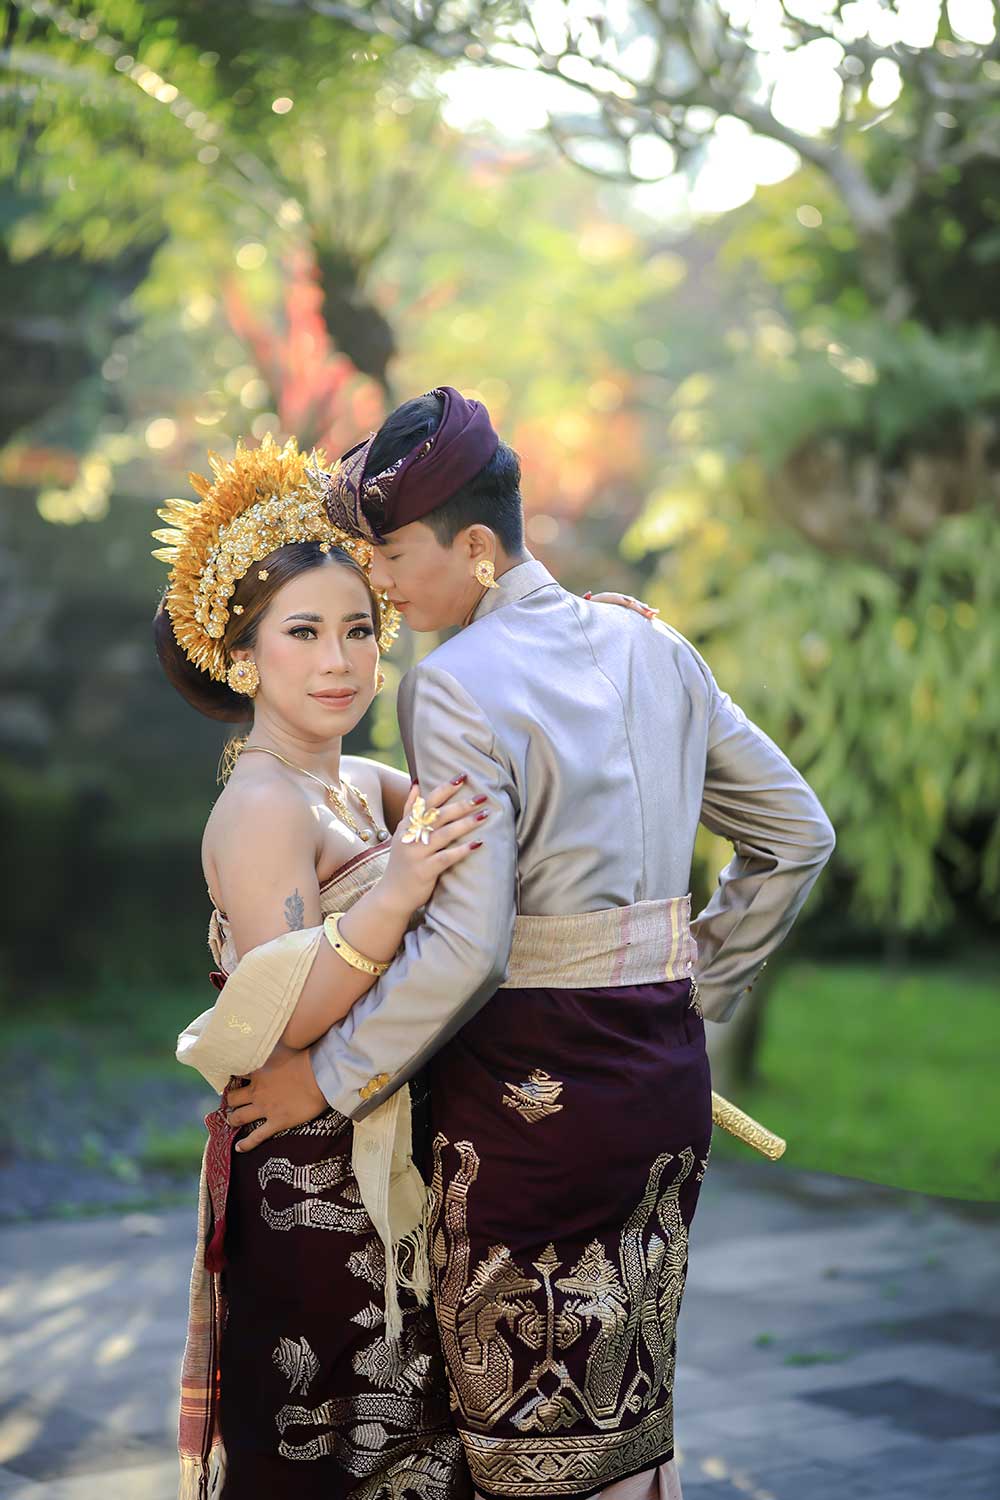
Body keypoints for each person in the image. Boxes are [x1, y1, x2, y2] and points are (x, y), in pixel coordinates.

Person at [226, 388, 836, 1500]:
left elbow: (471, 948)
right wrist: (694, 989)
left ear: (473, 544)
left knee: (533, 1451)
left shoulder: (455, 682)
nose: (380, 584)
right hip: (659, 1079)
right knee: (625, 1422)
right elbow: (797, 836)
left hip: (528, 1091)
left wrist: (330, 1073)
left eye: (392, 555)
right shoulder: (655, 643)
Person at [155, 433, 647, 1498]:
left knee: (418, 1454)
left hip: (395, 1150)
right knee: (334, 1452)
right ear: (241, 658)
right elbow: (287, 1015)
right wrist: (398, 891)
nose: (338, 661)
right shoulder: (261, 808)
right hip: (308, 1169)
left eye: (356, 630)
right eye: (302, 634)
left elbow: (510, 809)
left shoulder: (360, 783)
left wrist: (587, 642)